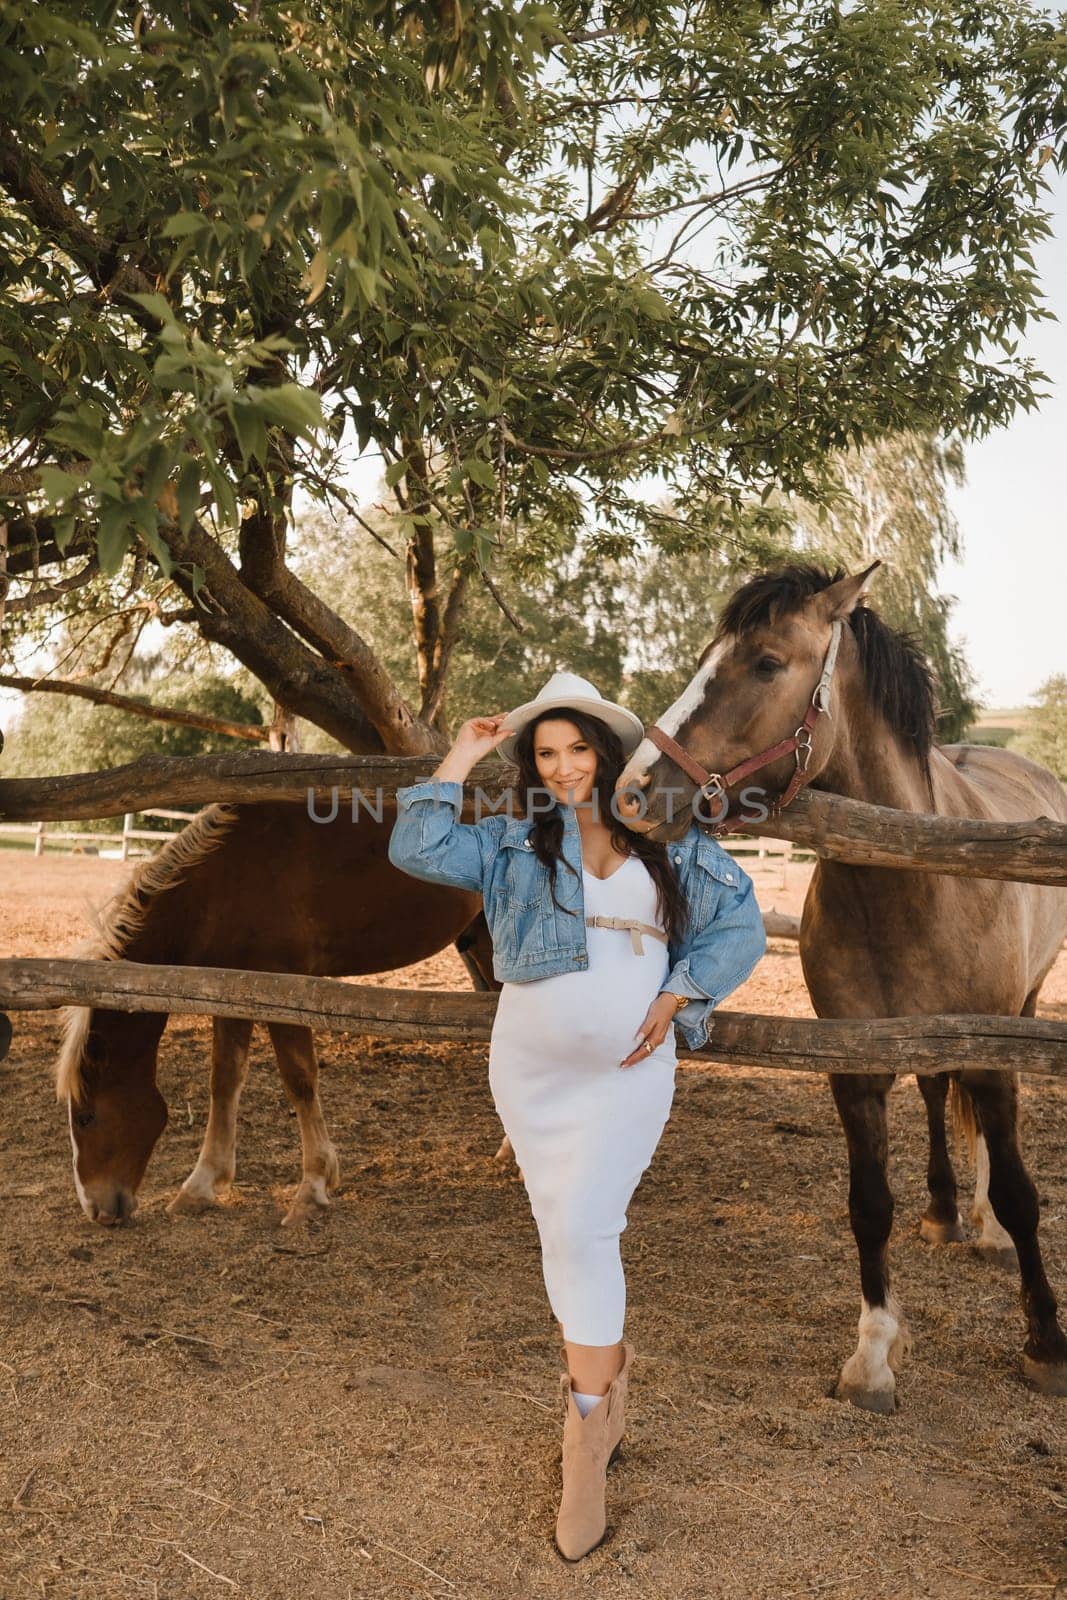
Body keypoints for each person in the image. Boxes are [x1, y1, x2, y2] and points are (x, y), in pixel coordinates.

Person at [387, 671, 766, 1560]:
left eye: (577, 749)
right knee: (562, 1227)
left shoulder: (668, 840)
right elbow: (416, 843)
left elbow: (737, 924)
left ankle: (584, 1444)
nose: (562, 768)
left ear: (607, 751)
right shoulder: (512, 843)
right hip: (528, 1070)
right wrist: (464, 754)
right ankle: (604, 1392)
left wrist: (679, 995)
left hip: (627, 1072)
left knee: (584, 1232)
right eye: (546, 753)